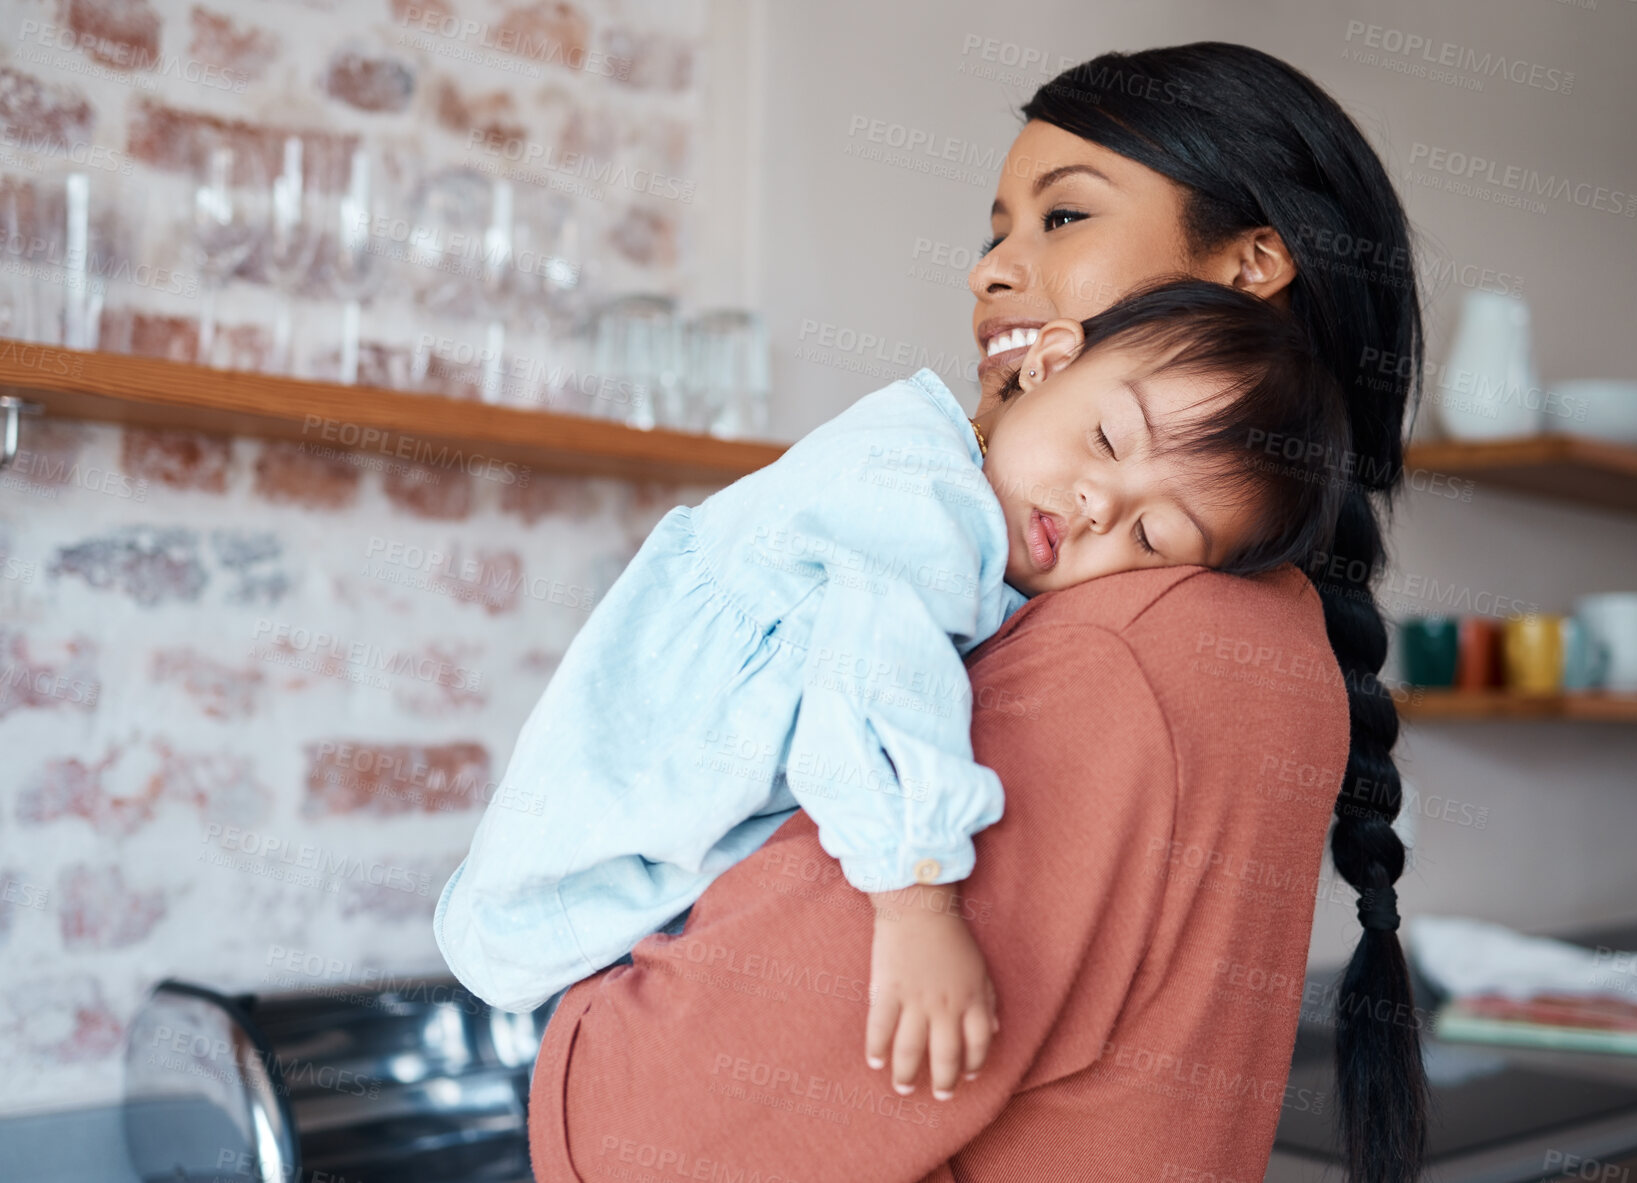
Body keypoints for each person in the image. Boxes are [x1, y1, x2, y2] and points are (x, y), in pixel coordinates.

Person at [523, 42, 1429, 1183]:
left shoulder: (1127, 649)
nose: (992, 271)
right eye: (996, 229)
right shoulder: (1237, 618)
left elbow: (648, 1138)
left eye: (1064, 220)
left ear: (1252, 266)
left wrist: (585, 1028)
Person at [436, 276, 1350, 1096]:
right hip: (599, 856)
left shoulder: (939, 481)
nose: (1096, 507)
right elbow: (878, 687)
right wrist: (918, 905)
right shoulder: (928, 504)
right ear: (1049, 361)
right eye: (1107, 439)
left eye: (1151, 540)